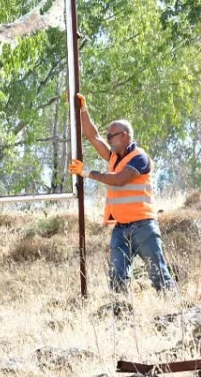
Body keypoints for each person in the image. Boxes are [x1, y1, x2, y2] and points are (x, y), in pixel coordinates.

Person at [68, 94, 176, 294]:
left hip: (144, 227)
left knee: (158, 275)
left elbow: (119, 179)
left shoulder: (139, 158)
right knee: (117, 277)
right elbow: (93, 136)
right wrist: (83, 109)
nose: (108, 140)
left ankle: (175, 313)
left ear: (125, 135)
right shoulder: (113, 157)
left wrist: (86, 173)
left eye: (112, 136)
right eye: (108, 136)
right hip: (120, 228)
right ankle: (120, 315)